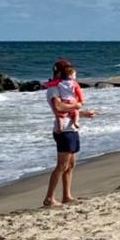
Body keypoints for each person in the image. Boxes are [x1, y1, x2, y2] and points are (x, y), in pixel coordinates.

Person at [44, 59, 96, 207]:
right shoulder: (54, 89)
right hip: (63, 130)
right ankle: (49, 198)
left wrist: (84, 113)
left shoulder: (66, 87)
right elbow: (59, 107)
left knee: (71, 165)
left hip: (71, 128)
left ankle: (67, 195)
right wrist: (76, 105)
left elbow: (69, 109)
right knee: (62, 165)